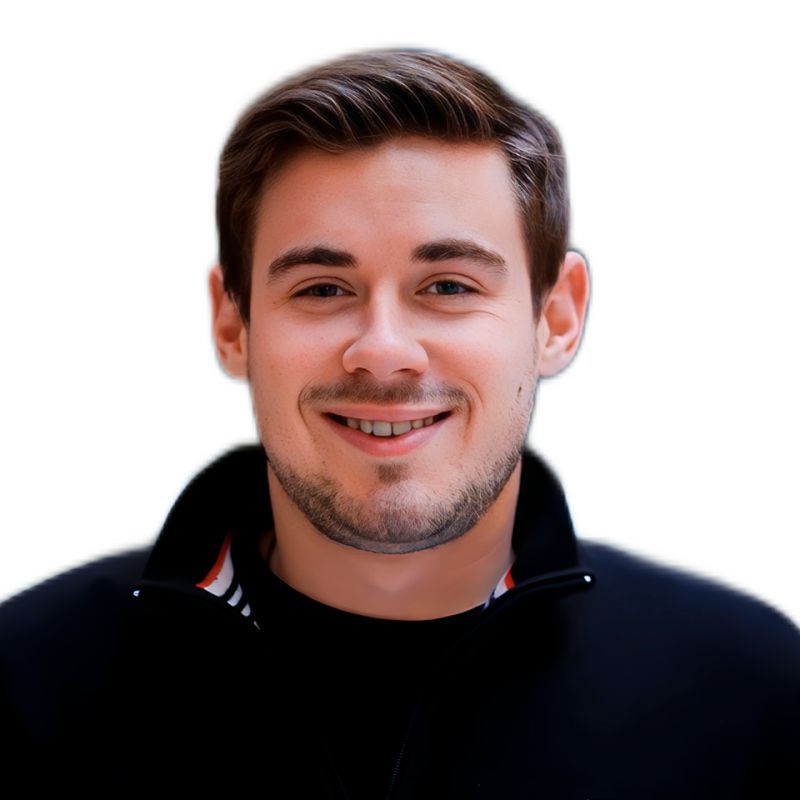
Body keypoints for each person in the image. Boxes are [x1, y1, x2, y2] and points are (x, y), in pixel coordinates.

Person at [1, 47, 797, 797]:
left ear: (556, 317)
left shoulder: (748, 696)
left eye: (448, 286)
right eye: (321, 289)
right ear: (233, 323)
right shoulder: (27, 682)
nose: (383, 351)